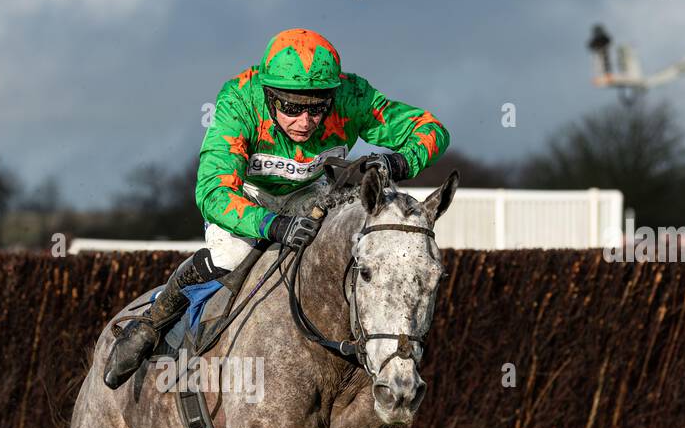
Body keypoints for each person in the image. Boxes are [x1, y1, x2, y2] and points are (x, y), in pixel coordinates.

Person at [104, 27, 450, 389]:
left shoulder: (353, 96)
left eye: (318, 109)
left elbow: (431, 129)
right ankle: (151, 324)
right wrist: (272, 226)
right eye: (291, 108)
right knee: (232, 254)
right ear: (269, 96)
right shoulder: (239, 101)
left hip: (311, 194)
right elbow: (212, 192)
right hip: (246, 197)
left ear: (333, 96)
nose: (305, 122)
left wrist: (396, 164)